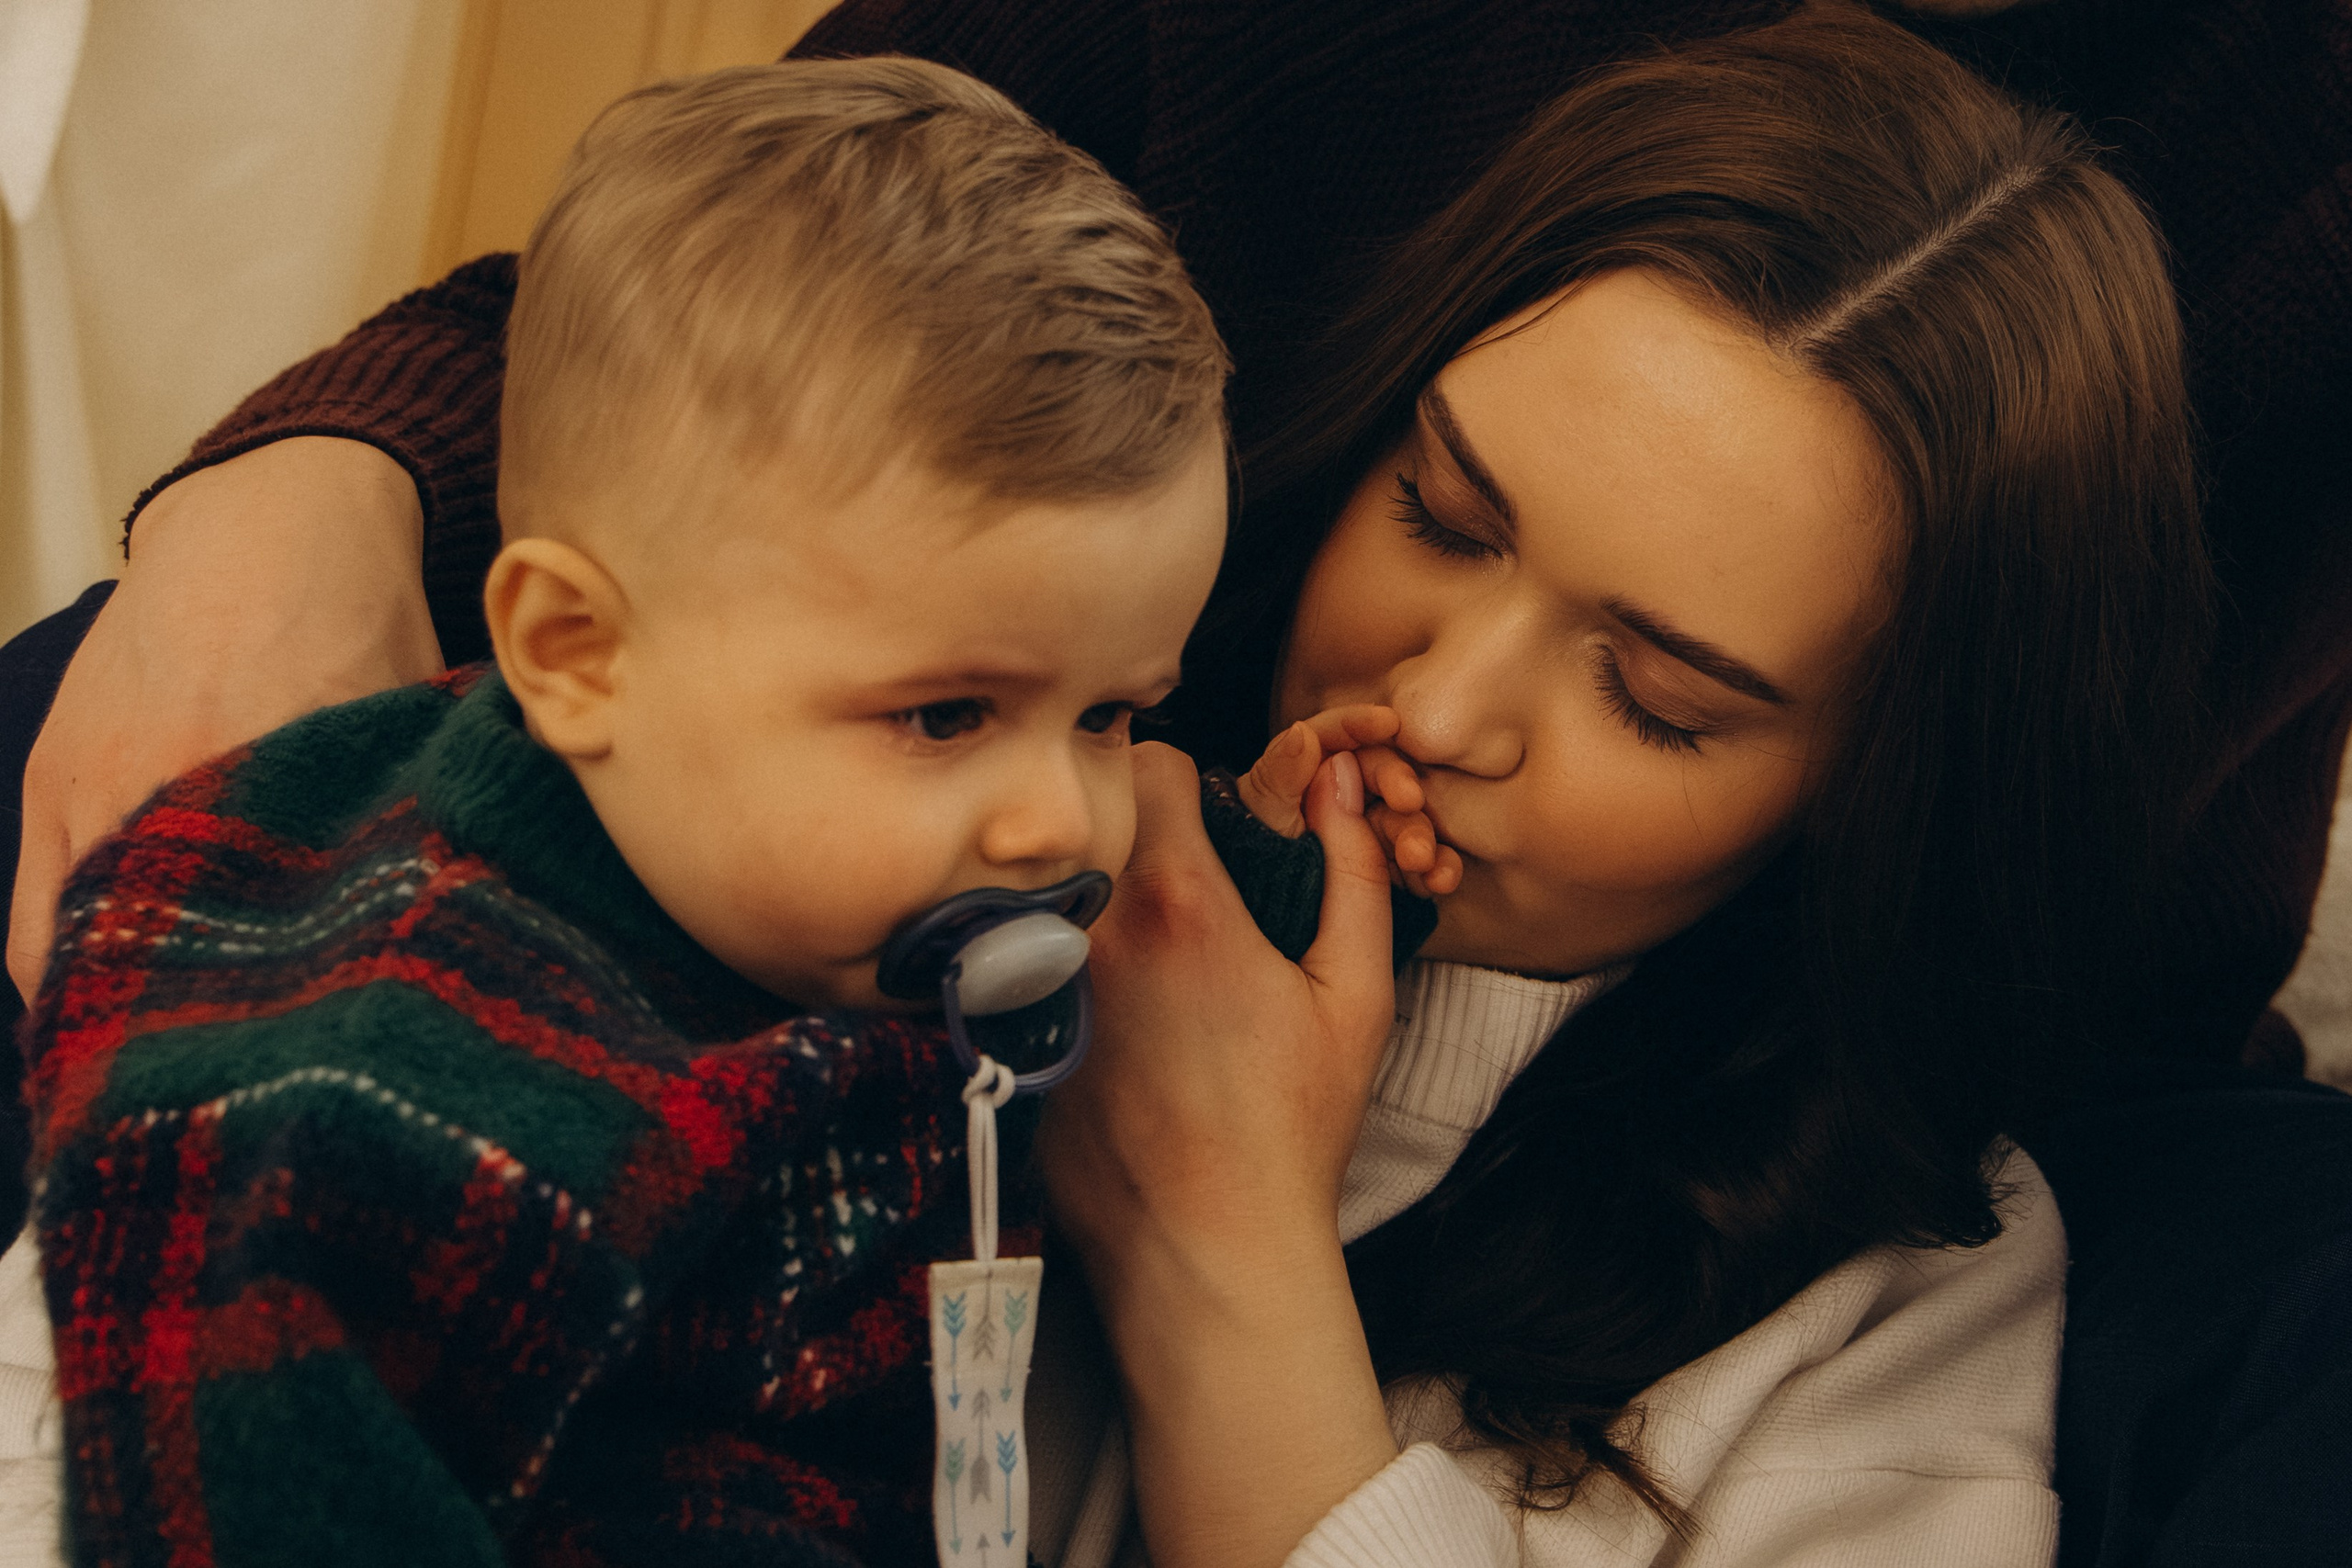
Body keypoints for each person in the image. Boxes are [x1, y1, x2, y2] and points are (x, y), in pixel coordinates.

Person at [4, 4, 2347, 1566]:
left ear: (1863, 793)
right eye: (1442, 513)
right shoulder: (888, 861)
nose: (1444, 701)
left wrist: (1228, 1250)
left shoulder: (1891, 1323)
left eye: (1657, 695)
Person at [16, 56, 1238, 1566]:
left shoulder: (811, 874)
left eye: (1112, 714)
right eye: (946, 717)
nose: (1059, 825)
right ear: (578, 654)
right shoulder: (378, 1125)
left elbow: (1218, 900)